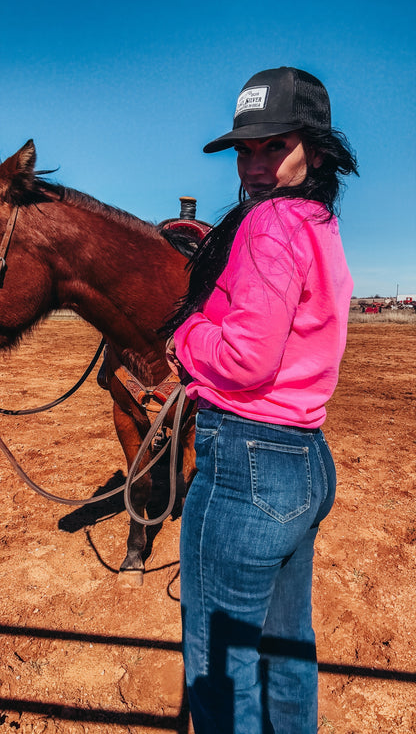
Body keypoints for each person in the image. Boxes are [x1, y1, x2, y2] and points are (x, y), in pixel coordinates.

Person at [162, 67, 358, 734]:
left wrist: (186, 335)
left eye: (275, 146)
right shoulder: (317, 220)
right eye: (246, 149)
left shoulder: (270, 224)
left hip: (246, 459)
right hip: (305, 457)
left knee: (218, 664)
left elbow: (247, 357)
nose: (254, 164)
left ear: (318, 150)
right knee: (286, 648)